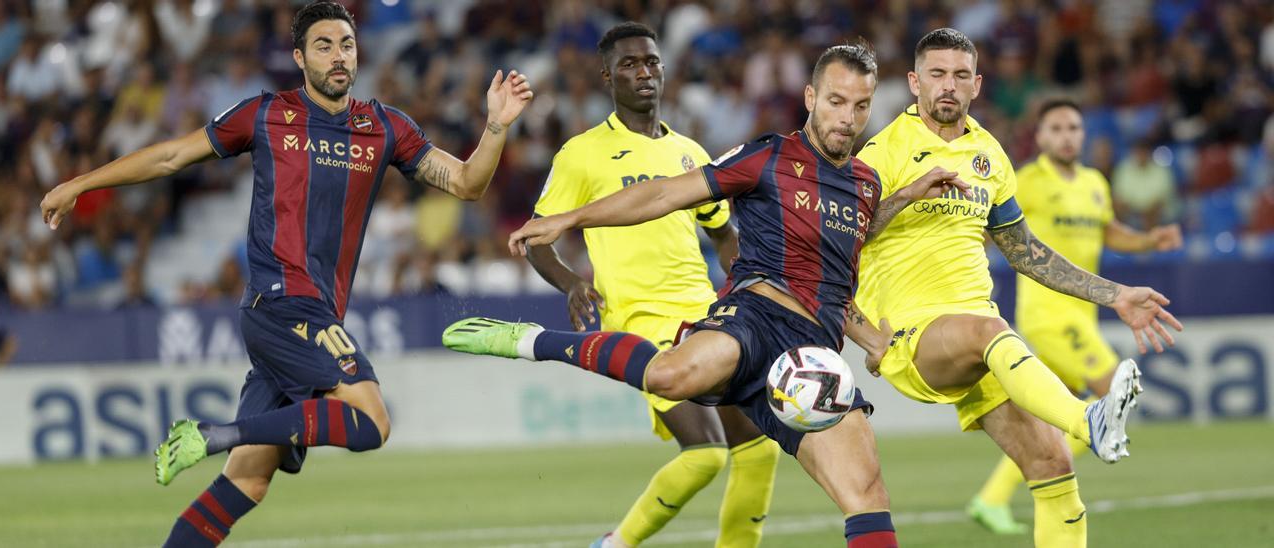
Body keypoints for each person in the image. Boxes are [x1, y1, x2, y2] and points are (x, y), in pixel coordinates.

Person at [37, 2, 533, 546]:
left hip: (312, 313)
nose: (339, 55)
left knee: (247, 482)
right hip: (280, 305)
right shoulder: (267, 114)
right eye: (323, 45)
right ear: (299, 58)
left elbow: (467, 184)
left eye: (346, 44)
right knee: (372, 423)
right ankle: (215, 433)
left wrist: (494, 127)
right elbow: (170, 158)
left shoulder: (385, 127)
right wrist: (81, 182)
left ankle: (220, 458)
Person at [445, 42, 973, 547]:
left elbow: (844, 250)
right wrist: (570, 218)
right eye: (835, 101)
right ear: (811, 98)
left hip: (812, 355)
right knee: (671, 376)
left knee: (867, 495)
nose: (847, 118)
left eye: (860, 106)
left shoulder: (864, 183)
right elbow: (664, 193)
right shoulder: (767, 156)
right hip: (753, 319)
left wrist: (902, 199)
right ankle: (534, 341)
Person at [853, 29, 1182, 548]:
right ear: (914, 82)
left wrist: (1114, 294)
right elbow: (843, 237)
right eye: (936, 74)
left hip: (976, 335)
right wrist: (910, 194)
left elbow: (1026, 252)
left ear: (977, 85)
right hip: (909, 333)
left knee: (1054, 468)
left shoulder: (990, 155)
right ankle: (1087, 418)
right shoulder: (882, 152)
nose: (948, 86)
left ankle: (1079, 431)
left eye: (960, 76)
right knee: (992, 330)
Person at [527, 23, 777, 548]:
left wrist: (743, 286)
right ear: (607, 78)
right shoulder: (582, 154)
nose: (643, 72)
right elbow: (536, 239)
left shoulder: (689, 153)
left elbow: (722, 232)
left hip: (708, 317)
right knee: (705, 454)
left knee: (759, 449)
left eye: (652, 62)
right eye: (629, 64)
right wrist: (573, 283)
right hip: (641, 324)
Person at [967, 98, 1183, 534]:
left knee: (1048, 420)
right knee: (1108, 393)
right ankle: (1024, 490)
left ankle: (990, 499)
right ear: (1041, 137)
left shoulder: (1094, 183)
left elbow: (1107, 230)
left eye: (1074, 128)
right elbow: (991, 226)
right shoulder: (1025, 181)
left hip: (1084, 314)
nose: (1067, 135)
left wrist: (1148, 241)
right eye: (1057, 128)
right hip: (1048, 313)